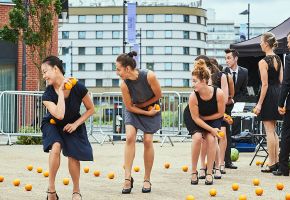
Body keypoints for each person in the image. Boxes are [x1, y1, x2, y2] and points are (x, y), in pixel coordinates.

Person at [41, 56, 94, 200]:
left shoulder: (78, 87)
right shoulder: (48, 94)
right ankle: (51, 190)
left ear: (56, 68)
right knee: (56, 146)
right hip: (52, 123)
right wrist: (59, 93)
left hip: (72, 123)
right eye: (43, 74)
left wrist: (76, 124)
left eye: (45, 72)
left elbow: (91, 109)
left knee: (74, 154)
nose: (44, 76)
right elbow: (59, 114)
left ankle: (76, 191)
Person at [116, 51, 162, 194]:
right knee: (130, 137)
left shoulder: (149, 76)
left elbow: (159, 95)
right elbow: (129, 107)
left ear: (127, 69)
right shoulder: (124, 84)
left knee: (148, 141)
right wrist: (143, 111)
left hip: (151, 108)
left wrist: (145, 108)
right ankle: (127, 178)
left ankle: (147, 179)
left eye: (118, 69)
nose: (117, 73)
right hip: (134, 110)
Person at [184, 59, 225, 185]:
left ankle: (209, 172)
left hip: (212, 118)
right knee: (197, 138)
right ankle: (194, 172)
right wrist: (209, 127)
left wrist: (210, 126)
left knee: (212, 139)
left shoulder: (218, 93)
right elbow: (196, 118)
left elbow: (220, 114)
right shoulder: (193, 96)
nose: (192, 84)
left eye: (194, 81)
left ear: (203, 81)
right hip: (194, 118)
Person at [253, 32, 283, 173]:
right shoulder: (279, 59)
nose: (260, 44)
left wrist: (259, 104)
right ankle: (276, 161)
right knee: (274, 130)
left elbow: (264, 85)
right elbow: (282, 82)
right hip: (278, 94)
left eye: (261, 41)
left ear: (266, 43)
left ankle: (271, 163)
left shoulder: (263, 62)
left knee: (269, 131)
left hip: (268, 95)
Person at [194, 56, 228, 180]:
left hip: (214, 114)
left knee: (213, 139)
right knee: (203, 140)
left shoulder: (214, 77)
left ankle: (217, 167)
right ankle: (203, 167)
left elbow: (222, 99)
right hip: (203, 113)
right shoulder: (197, 78)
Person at [224, 48, 248, 169]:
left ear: (236, 58)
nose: (227, 60)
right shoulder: (223, 72)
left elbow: (244, 91)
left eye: (229, 58)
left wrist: (236, 101)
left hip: (238, 105)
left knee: (235, 131)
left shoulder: (244, 72)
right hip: (225, 107)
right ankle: (226, 160)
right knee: (226, 133)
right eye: (226, 58)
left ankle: (229, 158)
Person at [273, 32, 290, 176]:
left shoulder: (289, 58)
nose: (288, 45)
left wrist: (280, 103)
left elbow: (286, 83)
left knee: (286, 135)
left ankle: (284, 168)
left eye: (289, 42)